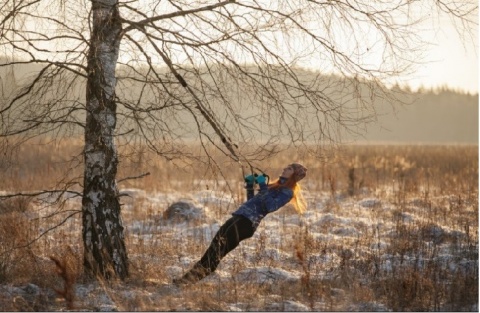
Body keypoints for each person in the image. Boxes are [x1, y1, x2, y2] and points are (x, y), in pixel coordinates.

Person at [172, 163, 308, 286]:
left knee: (216, 252)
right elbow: (253, 202)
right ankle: (185, 281)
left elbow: (270, 206)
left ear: (294, 174)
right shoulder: (275, 186)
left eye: (289, 168)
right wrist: (250, 186)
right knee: (213, 250)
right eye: (287, 167)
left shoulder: (287, 192)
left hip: (246, 224)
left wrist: (262, 186)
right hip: (239, 218)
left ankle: (185, 282)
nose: (284, 168)